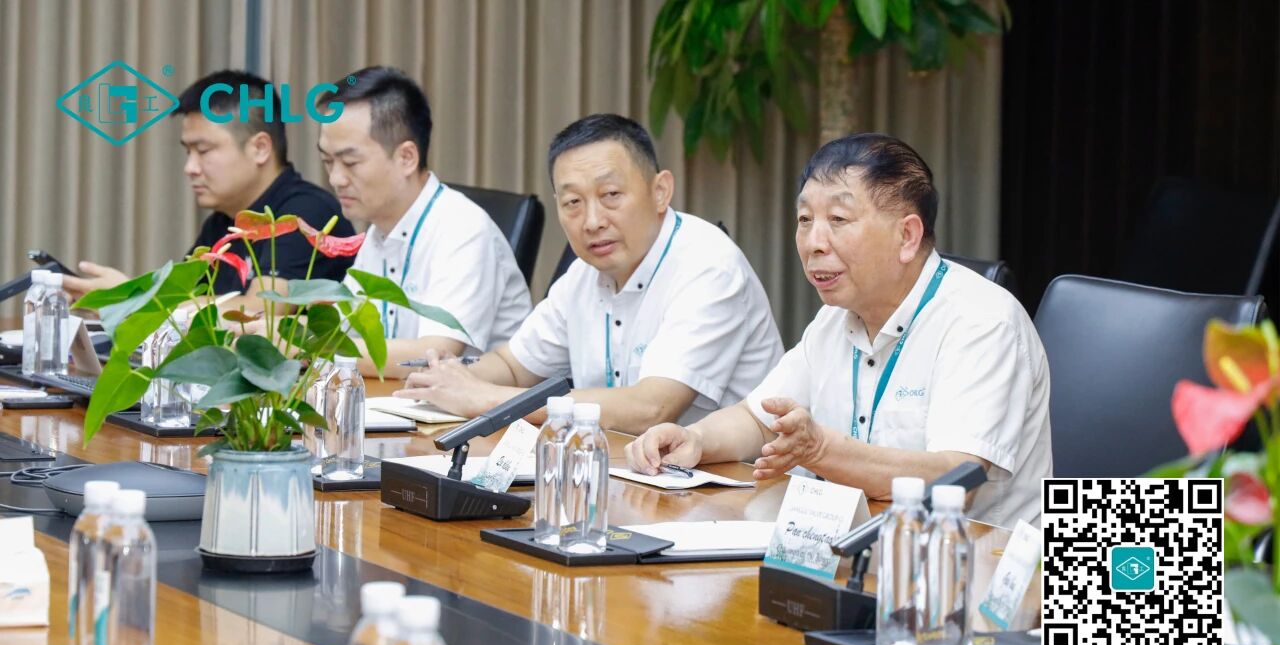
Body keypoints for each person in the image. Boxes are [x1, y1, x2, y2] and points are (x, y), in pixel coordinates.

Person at [625, 133, 1052, 527]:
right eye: (805, 219)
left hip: (976, 564)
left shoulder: (982, 321)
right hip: (854, 548)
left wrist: (821, 451)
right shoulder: (836, 317)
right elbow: (758, 420)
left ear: (907, 236)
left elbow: (956, 478)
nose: (814, 242)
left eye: (839, 219)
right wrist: (694, 439)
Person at [394, 113, 784, 435]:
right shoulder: (583, 274)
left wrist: (485, 399)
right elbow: (514, 366)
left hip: (733, 487)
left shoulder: (709, 265)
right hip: (620, 470)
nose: (592, 221)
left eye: (611, 195)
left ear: (661, 191)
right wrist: (448, 380)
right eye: (573, 202)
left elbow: (651, 408)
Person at [64, 70, 355, 300]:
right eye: (188, 152)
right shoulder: (223, 222)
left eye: (203, 151)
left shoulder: (305, 213)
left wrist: (133, 298)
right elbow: (181, 301)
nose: (190, 168)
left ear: (260, 148)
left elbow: (260, 312)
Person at [318, 66, 532, 378]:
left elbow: (432, 354)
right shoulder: (379, 231)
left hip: (480, 407)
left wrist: (306, 346)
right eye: (328, 161)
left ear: (406, 157)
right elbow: (342, 328)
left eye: (350, 162)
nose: (336, 178)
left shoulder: (462, 229)